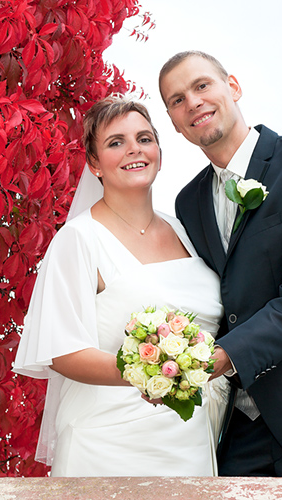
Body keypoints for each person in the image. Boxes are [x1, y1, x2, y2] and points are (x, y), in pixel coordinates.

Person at [13, 97, 228, 477]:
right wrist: (154, 369)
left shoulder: (183, 229)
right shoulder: (78, 239)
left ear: (159, 151)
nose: (134, 149)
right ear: (94, 164)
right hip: (108, 445)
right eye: (115, 142)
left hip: (189, 438)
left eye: (144, 138)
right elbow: (63, 352)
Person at [158, 50, 282, 477]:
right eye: (177, 100)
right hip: (240, 430)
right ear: (173, 121)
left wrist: (222, 357)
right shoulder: (188, 202)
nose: (193, 103)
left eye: (202, 85)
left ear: (234, 87)